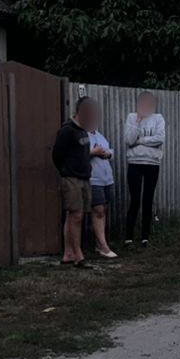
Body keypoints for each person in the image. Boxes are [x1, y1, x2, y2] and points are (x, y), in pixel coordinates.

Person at [52, 97, 98, 267]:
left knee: (74, 216)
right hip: (71, 178)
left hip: (84, 177)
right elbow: (57, 155)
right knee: (76, 215)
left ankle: (68, 254)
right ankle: (79, 256)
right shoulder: (67, 130)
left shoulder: (83, 131)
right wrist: (66, 171)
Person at [124, 91, 165, 247]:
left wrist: (140, 141)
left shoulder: (158, 118)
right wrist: (138, 121)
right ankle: (128, 238)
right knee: (135, 200)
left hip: (152, 164)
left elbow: (159, 139)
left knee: (148, 200)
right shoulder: (131, 117)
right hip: (135, 163)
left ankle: (145, 237)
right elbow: (129, 140)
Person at [87, 119, 119, 259]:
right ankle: (104, 246)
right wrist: (94, 152)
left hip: (107, 179)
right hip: (93, 179)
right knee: (98, 210)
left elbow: (109, 151)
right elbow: (79, 155)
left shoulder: (100, 136)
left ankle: (99, 243)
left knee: (103, 210)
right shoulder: (82, 136)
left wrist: (108, 154)